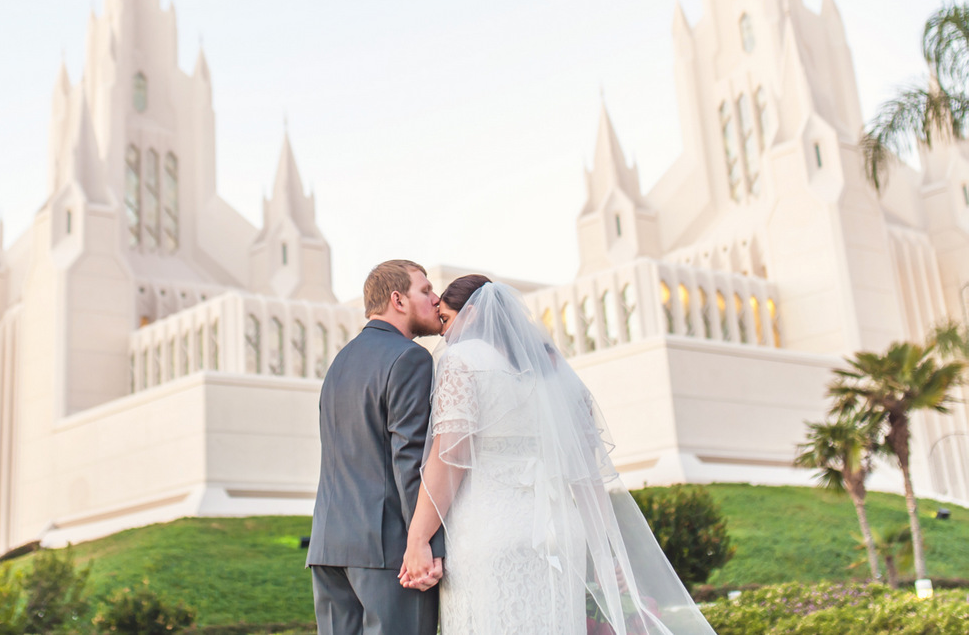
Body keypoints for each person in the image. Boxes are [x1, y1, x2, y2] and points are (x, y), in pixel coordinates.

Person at [400, 275, 717, 635]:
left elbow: (449, 458)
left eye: (445, 319)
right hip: (561, 536)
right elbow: (587, 475)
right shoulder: (552, 372)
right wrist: (604, 552)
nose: (443, 333)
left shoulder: (461, 360)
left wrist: (418, 538)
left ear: (472, 314)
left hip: (489, 534)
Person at [307, 260, 446, 635]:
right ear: (398, 300)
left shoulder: (339, 363)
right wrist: (425, 543)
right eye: (426, 290)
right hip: (387, 551)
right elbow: (410, 459)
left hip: (328, 549)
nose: (436, 299)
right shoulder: (409, 358)